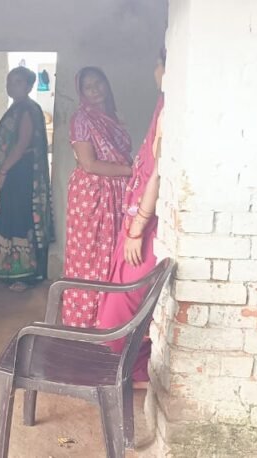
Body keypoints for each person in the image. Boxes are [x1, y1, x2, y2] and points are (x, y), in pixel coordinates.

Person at [96, 49, 167, 387]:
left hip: (146, 225)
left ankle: (127, 370)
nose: (155, 70)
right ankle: (131, 368)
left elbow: (157, 174)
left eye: (158, 64)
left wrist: (137, 228)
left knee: (125, 301)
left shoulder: (170, 112)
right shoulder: (164, 106)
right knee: (121, 299)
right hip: (138, 221)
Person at [61, 67, 134, 328]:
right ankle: (82, 323)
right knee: (89, 258)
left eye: (98, 82)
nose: (95, 89)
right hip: (92, 196)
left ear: (107, 83)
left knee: (113, 256)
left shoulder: (114, 116)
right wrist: (132, 172)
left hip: (116, 193)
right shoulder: (82, 119)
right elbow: (89, 164)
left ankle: (107, 322)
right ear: (81, 93)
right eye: (88, 86)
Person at [0, 67, 54, 292]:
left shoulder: (28, 109)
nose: (11, 86)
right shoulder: (16, 108)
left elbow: (22, 143)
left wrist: (4, 170)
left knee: (20, 218)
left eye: (17, 82)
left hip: (21, 172)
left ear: (28, 86)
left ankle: (24, 275)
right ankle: (8, 269)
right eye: (9, 81)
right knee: (9, 216)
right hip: (14, 171)